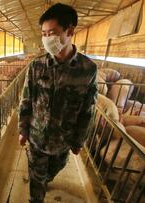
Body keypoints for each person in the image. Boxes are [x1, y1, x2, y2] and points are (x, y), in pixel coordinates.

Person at [18, 3, 98, 203]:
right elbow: (26, 99)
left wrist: (79, 141)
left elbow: (88, 110)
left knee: (54, 170)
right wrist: (23, 129)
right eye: (43, 34)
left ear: (70, 30)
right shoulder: (36, 66)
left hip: (63, 141)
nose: (46, 39)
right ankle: (37, 195)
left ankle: (46, 178)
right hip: (37, 138)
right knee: (37, 180)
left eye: (51, 33)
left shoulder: (88, 69)